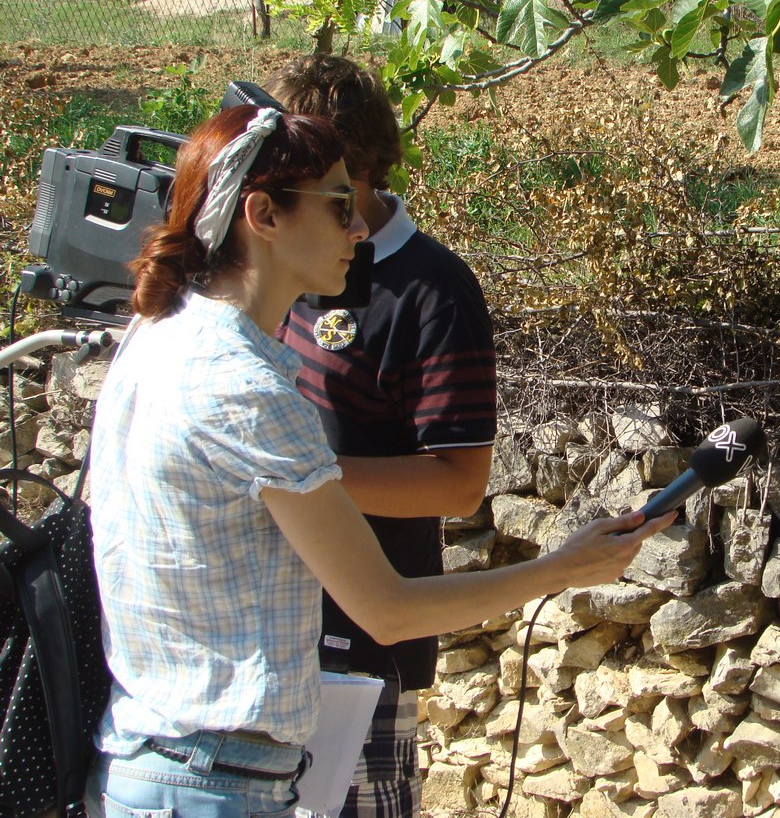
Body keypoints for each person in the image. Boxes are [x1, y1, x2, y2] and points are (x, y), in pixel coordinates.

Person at [85, 105, 673, 814]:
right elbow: (388, 610)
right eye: (339, 205)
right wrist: (561, 569)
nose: (359, 228)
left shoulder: (154, 334)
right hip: (215, 782)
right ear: (263, 215)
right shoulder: (246, 387)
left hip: (156, 762)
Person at [264, 53, 495, 817]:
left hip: (359, 648)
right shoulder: (275, 258)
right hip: (262, 631)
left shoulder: (433, 290)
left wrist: (299, 480)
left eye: (308, 171)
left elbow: (460, 484)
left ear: (357, 168)